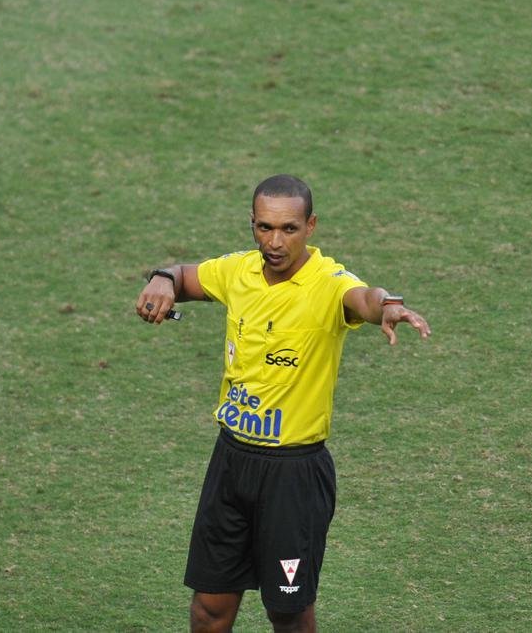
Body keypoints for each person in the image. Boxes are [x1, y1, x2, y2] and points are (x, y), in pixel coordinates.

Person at [135, 174, 431, 633]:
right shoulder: (239, 272)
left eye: (288, 228)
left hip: (293, 473)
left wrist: (388, 306)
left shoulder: (329, 283)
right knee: (209, 609)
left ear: (310, 226)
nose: (275, 241)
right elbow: (186, 275)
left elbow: (364, 300)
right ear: (252, 224)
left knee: (289, 614)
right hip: (231, 462)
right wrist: (162, 280)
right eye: (264, 228)